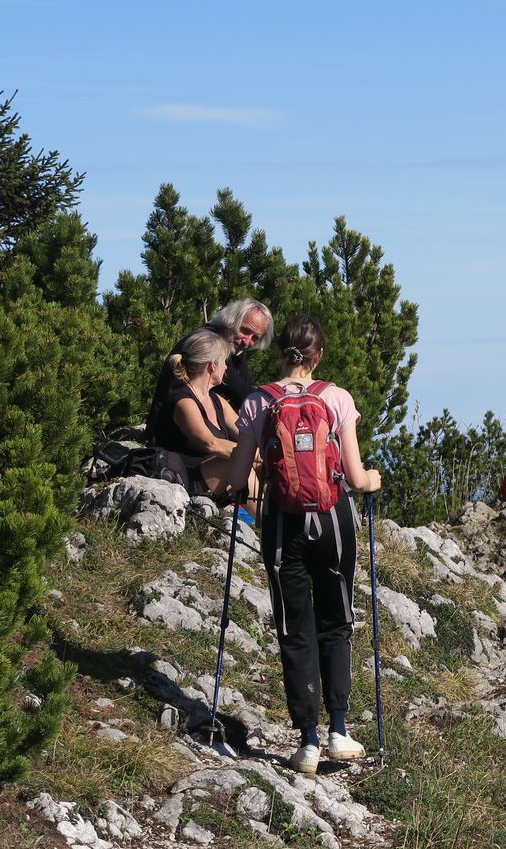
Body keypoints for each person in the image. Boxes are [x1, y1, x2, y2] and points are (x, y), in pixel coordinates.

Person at [225, 314, 381, 775]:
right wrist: (372, 480)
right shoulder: (336, 398)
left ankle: (307, 741)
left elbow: (237, 478)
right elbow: (355, 477)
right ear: (319, 356)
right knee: (337, 619)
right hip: (333, 521)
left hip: (282, 523)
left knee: (294, 626)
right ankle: (339, 730)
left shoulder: (258, 401)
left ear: (279, 353)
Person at [144, 329, 249, 501]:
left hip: (211, 477)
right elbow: (210, 443)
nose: (226, 367)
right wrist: (253, 454)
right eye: (224, 362)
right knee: (237, 462)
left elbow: (246, 433)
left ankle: (276, 512)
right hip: (186, 481)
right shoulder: (184, 402)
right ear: (213, 365)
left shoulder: (218, 401)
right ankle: (263, 516)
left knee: (257, 464)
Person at [153, 299, 273, 416]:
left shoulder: (232, 343)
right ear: (231, 321)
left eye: (255, 338)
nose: (247, 342)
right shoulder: (209, 343)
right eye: (245, 331)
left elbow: (246, 388)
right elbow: (243, 396)